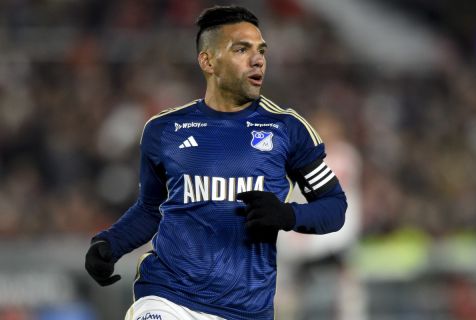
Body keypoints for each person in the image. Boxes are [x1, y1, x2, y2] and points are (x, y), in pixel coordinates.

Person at [85, 5, 347, 320]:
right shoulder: (164, 130)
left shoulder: (288, 129)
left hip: (246, 310)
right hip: (167, 296)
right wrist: (110, 243)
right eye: (241, 49)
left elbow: (335, 207)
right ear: (208, 61)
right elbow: (151, 209)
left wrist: (288, 215)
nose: (258, 59)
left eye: (261, 50)